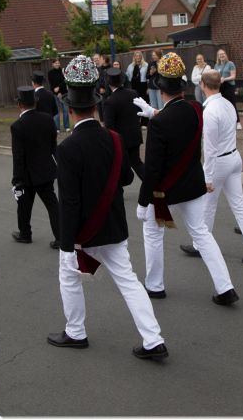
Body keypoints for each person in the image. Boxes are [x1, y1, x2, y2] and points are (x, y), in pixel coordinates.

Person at [47, 55, 167, 360]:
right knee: (129, 281)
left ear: (70, 109)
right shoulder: (114, 139)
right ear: (96, 105)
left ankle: (76, 332)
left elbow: (69, 201)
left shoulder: (66, 148)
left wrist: (66, 244)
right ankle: (153, 338)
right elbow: (126, 178)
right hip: (112, 224)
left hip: (83, 231)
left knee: (68, 276)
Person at [134, 52, 238, 305]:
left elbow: (153, 168)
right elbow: (176, 118)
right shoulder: (195, 109)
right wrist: (154, 113)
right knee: (202, 234)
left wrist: (143, 200)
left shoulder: (159, 124)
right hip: (192, 184)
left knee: (153, 234)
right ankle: (226, 287)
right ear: (181, 87)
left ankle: (155, 285)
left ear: (161, 89)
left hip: (164, 192)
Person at [177, 70, 243, 264]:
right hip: (233, 157)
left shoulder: (210, 111)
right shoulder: (227, 104)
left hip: (219, 161)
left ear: (203, 84)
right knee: (240, 206)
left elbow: (209, 148)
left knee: (207, 206)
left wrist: (208, 176)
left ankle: (200, 245)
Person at [10, 86, 60, 247]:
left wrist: (16, 179)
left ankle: (25, 234)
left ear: (19, 104)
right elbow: (53, 145)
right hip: (46, 169)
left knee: (24, 205)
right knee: (52, 205)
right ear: (35, 103)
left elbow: (18, 156)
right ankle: (61, 237)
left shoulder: (17, 126)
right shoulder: (47, 119)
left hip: (27, 173)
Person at [102, 68, 145, 179]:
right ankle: (152, 184)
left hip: (121, 140)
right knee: (136, 163)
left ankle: (118, 189)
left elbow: (109, 126)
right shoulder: (133, 93)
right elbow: (139, 111)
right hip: (135, 134)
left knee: (119, 167)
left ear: (109, 84)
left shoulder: (110, 101)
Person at [213, 48, 241, 129]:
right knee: (222, 105)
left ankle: (238, 122)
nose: (221, 55)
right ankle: (226, 122)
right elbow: (215, 75)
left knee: (231, 104)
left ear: (225, 55)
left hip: (229, 86)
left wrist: (224, 79)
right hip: (220, 87)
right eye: (220, 54)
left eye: (223, 54)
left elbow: (233, 76)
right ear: (218, 56)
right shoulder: (216, 65)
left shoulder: (230, 64)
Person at [47, 58, 70, 132]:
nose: (57, 64)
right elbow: (51, 84)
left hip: (64, 93)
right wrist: (57, 93)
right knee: (56, 111)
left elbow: (65, 81)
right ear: (52, 64)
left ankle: (67, 126)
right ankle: (57, 128)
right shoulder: (50, 73)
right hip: (55, 94)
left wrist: (59, 88)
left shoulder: (63, 71)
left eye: (58, 63)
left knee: (65, 110)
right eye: (56, 63)